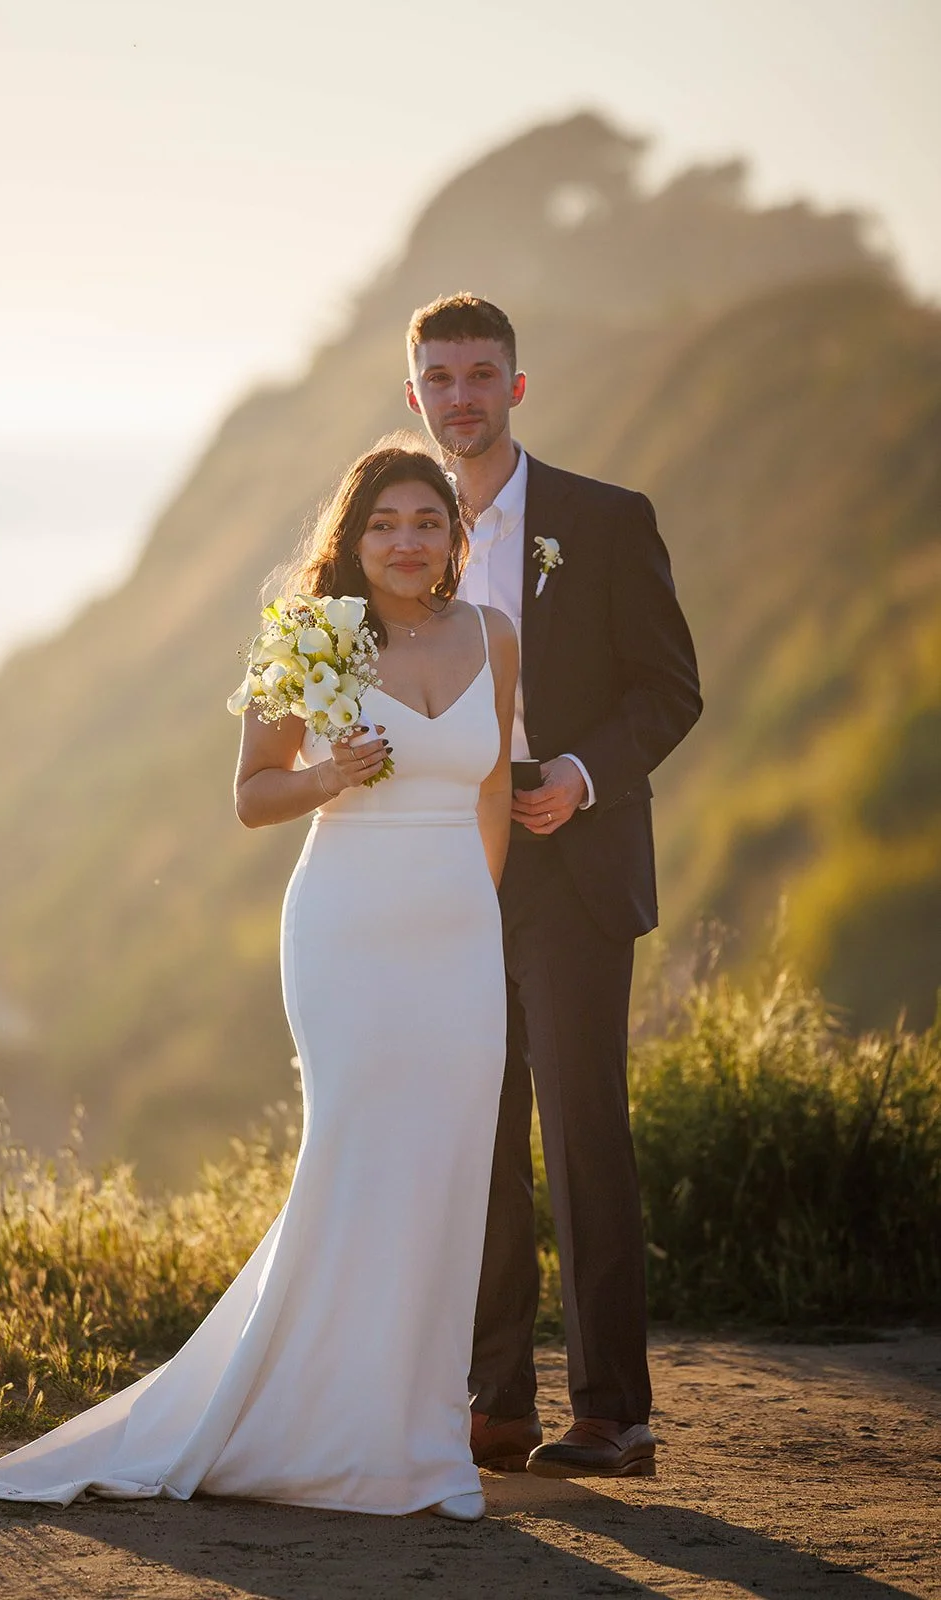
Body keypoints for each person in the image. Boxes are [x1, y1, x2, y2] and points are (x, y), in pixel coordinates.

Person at [0, 443, 518, 1521]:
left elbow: (486, 802)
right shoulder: (306, 633)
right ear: (352, 534)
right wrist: (329, 775)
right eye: (383, 523)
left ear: (452, 536)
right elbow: (250, 795)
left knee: (444, 1168)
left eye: (426, 521)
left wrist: (477, 924)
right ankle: (318, 1424)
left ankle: (417, 1429)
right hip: (344, 928)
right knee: (352, 1153)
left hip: (460, 943)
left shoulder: (494, 635)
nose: (405, 541)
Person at [405, 294, 702, 1479]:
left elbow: (670, 689)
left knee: (582, 1132)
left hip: (569, 855)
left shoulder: (602, 519)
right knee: (473, 1128)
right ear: (413, 394)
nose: (461, 396)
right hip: (448, 857)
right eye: (439, 377)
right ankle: (494, 1403)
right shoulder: (401, 528)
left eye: (482, 374)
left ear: (515, 389)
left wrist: (580, 774)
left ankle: (610, 1412)